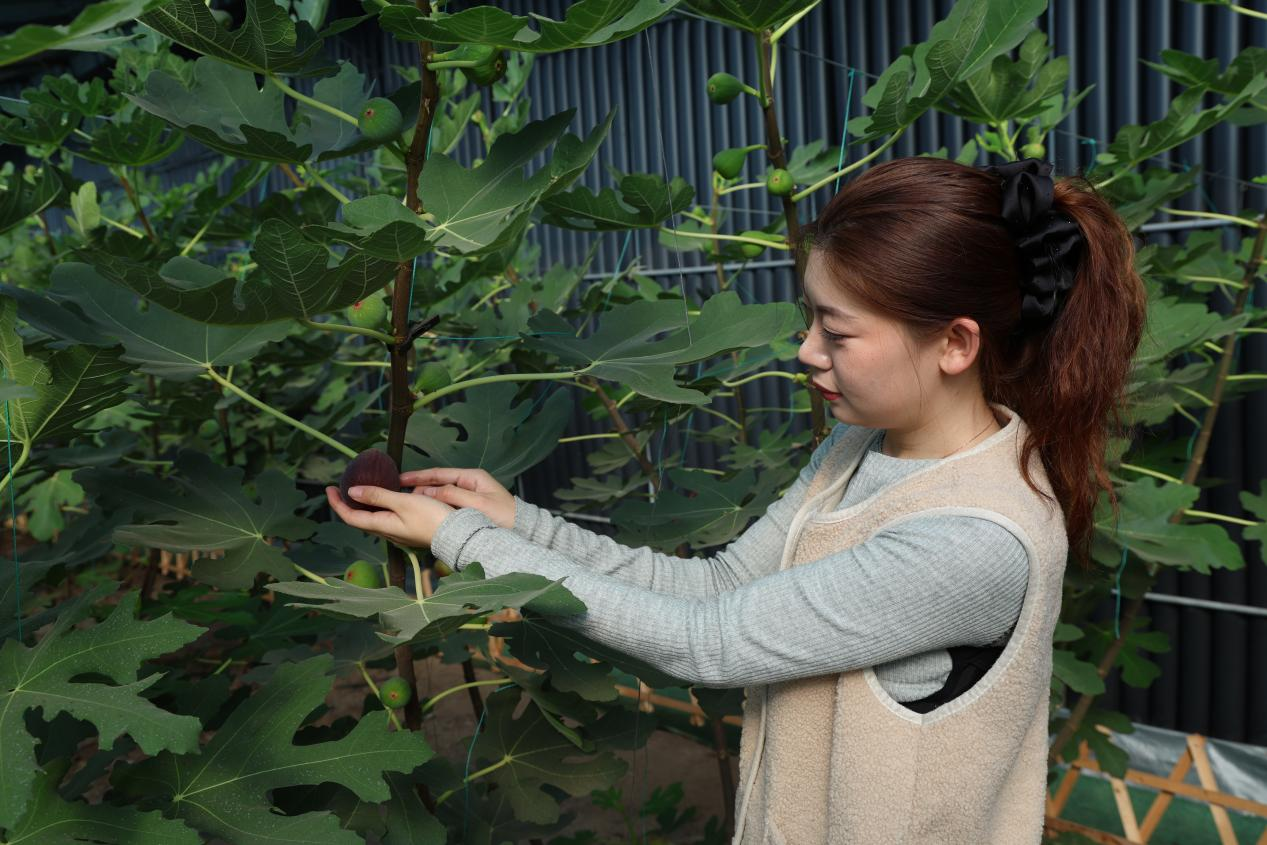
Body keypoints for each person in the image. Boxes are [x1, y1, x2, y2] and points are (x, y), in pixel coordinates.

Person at [326, 155, 1148, 844]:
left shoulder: (971, 539)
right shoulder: (857, 447)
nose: (806, 350)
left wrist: (465, 543)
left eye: (836, 330)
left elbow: (706, 643)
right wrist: (518, 523)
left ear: (955, 343)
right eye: (809, 320)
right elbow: (717, 588)